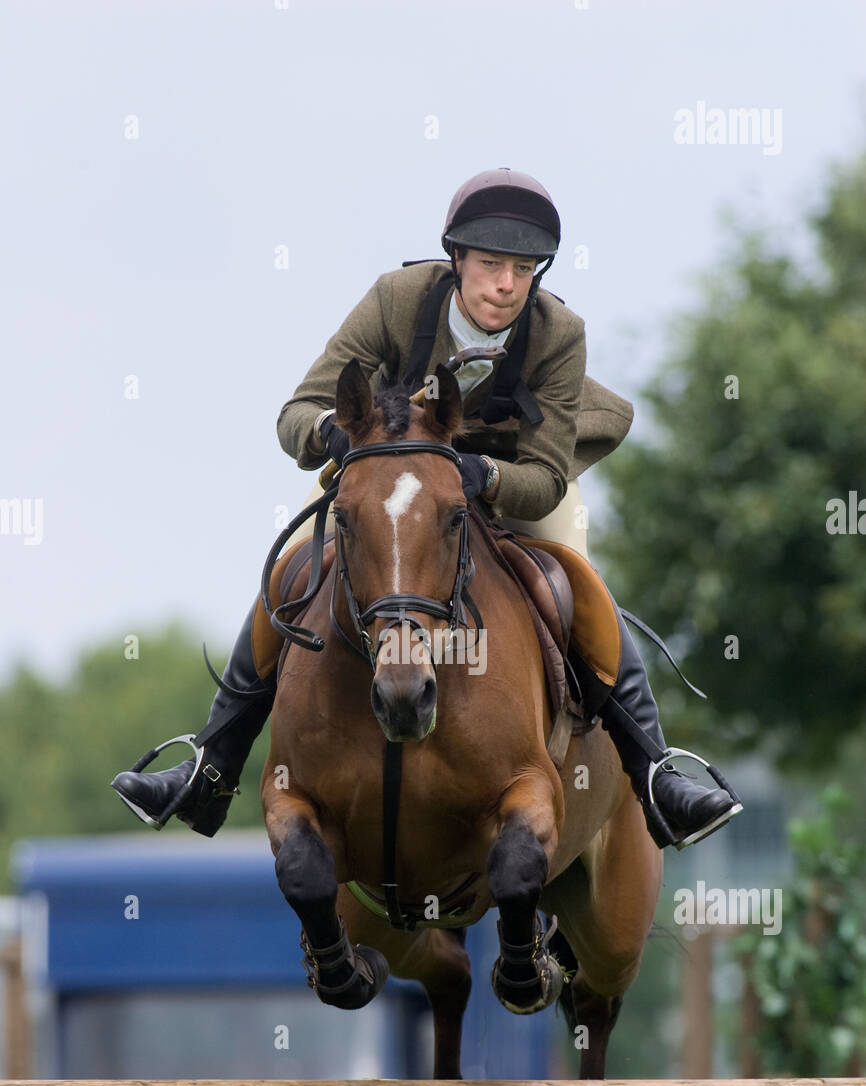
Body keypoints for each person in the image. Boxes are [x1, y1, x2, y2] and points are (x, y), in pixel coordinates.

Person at [112, 167, 742, 850]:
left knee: (581, 584)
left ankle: (656, 774)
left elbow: (546, 479)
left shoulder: (558, 332)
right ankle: (211, 763)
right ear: (457, 259)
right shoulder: (396, 299)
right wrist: (330, 433)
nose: (507, 284)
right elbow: (296, 409)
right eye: (492, 265)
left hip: (510, 476)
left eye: (524, 269)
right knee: (294, 570)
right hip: (389, 474)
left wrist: (480, 473)